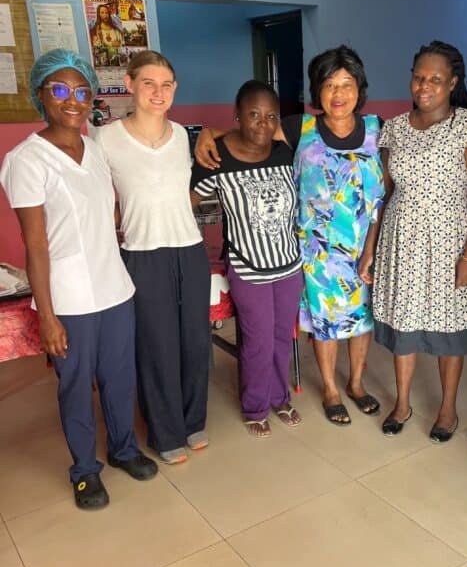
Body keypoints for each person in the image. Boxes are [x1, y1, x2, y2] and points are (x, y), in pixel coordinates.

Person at [0, 49, 157, 509]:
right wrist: (47, 317)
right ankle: (85, 470)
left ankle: (125, 449)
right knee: (75, 385)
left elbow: (106, 211)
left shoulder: (95, 148)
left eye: (82, 90)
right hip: (69, 298)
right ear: (41, 96)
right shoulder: (26, 160)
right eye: (60, 90)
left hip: (114, 288)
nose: (73, 100)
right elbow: (35, 246)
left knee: (118, 378)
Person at [195, 45, 385, 425]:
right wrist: (208, 132)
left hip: (364, 246)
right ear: (319, 91)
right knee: (325, 322)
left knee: (361, 319)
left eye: (347, 84)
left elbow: (382, 194)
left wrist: (372, 248)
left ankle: (358, 383)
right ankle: (331, 388)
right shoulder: (302, 128)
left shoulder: (377, 129)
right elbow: (254, 130)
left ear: (359, 89)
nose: (339, 94)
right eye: (330, 85)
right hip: (313, 253)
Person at [359, 42, 467, 441]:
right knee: (404, 322)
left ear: (452, 82)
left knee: (449, 326)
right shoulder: (394, 128)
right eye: (419, 76)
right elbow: (382, 193)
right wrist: (369, 249)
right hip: (400, 240)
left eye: (435, 78)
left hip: (451, 240)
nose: (425, 85)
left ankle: (448, 408)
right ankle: (402, 402)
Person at [94, 51, 211, 464]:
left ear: (175, 89)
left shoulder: (182, 135)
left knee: (196, 343)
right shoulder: (105, 139)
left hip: (190, 249)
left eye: (166, 85)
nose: (158, 93)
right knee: (157, 345)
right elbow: (100, 201)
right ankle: (166, 433)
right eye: (149, 83)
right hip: (142, 254)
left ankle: (194, 420)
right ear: (129, 84)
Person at [191, 81, 303, 437]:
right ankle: (255, 406)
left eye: (270, 116)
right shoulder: (216, 158)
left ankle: (280, 397)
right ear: (236, 115)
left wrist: (212, 129)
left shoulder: (287, 151)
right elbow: (186, 204)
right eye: (253, 114)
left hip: (289, 264)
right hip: (248, 267)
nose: (262, 123)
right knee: (258, 341)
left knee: (283, 336)